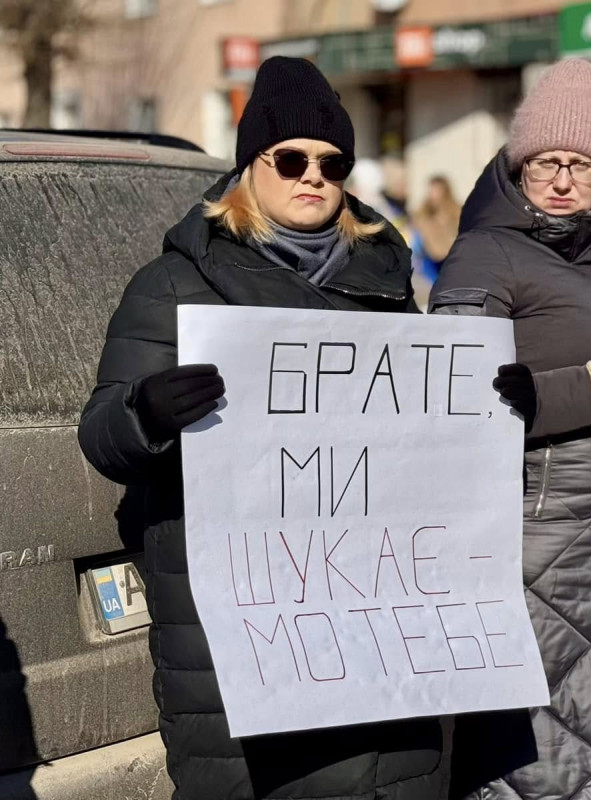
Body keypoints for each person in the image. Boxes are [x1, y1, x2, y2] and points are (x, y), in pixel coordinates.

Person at [77, 56, 441, 800]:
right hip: (239, 648)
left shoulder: (384, 286)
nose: (313, 175)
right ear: (251, 166)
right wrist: (146, 413)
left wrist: (492, 406)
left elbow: (428, 445)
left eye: (332, 162)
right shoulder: (177, 285)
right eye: (291, 158)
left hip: (380, 633)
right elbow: (101, 436)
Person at [428, 57, 591, 800]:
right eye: (547, 163)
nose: (565, 180)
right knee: (543, 748)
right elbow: (455, 401)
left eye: (583, 164)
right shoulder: (484, 252)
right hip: (538, 541)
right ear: (519, 166)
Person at [412, 174, 462, 283]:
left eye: (437, 191)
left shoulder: (457, 214)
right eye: (431, 190)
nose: (433, 195)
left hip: (453, 265)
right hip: (430, 268)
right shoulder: (423, 216)